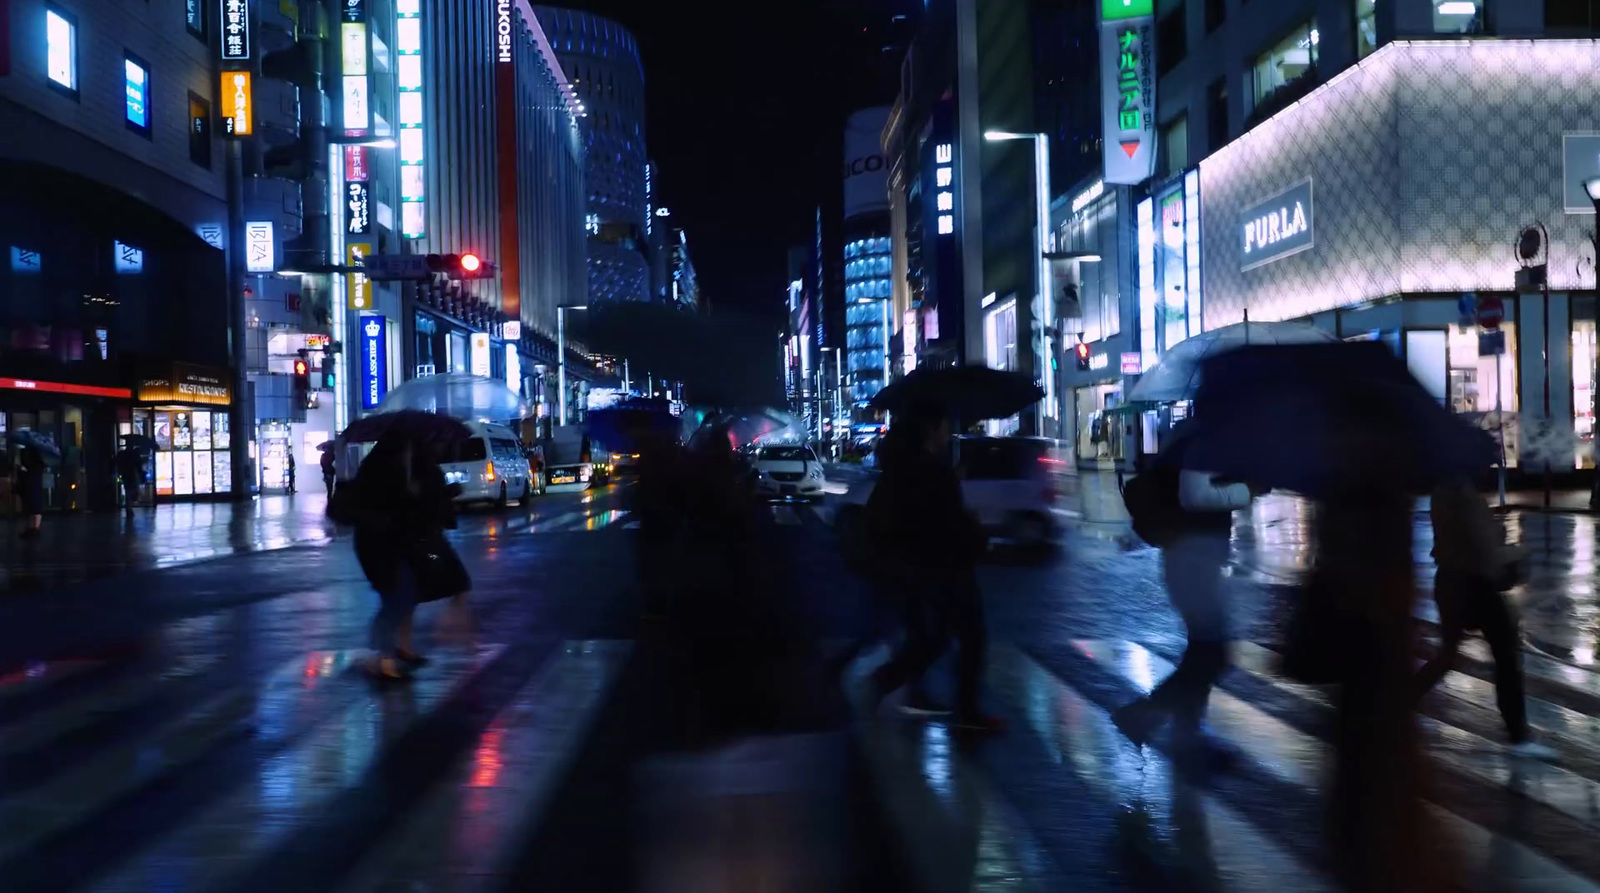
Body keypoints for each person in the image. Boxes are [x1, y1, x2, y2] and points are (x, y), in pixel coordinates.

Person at [1114, 439, 1257, 750]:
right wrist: (1248, 490)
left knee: (1202, 650)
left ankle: (1187, 731)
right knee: (1212, 655)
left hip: (1193, 556)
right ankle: (1144, 715)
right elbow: (1196, 495)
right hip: (1192, 556)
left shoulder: (1197, 438)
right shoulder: (1204, 444)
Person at [865, 402, 1000, 732]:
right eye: (943, 425)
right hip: (945, 567)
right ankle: (966, 711)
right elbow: (949, 524)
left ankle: (883, 683)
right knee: (969, 635)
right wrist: (976, 529)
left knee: (934, 637)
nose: (946, 433)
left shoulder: (900, 467)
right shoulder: (933, 473)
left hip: (913, 567)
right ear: (930, 429)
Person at [1415, 477, 1554, 758]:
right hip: (1475, 585)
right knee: (1506, 655)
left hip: (1449, 582)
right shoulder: (1464, 495)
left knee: (1447, 655)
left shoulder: (1441, 490)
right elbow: (1484, 553)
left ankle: (1398, 704)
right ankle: (1518, 735)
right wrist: (1520, 550)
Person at [349, 432, 456, 681]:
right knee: (396, 598)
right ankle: (380, 658)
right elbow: (390, 506)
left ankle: (389, 654)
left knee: (403, 596)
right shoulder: (384, 469)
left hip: (392, 543)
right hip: (377, 544)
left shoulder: (406, 466)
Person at [16, 446, 45, 539]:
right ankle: (34, 528)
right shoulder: (39, 463)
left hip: (31, 484)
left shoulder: (32, 462)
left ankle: (33, 528)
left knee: (32, 506)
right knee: (34, 506)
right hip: (32, 484)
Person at [115, 447, 145, 516]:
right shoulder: (135, 458)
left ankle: (128, 507)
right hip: (132, 476)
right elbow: (139, 467)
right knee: (132, 491)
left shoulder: (124, 456)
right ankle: (129, 507)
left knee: (128, 491)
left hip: (126, 476)